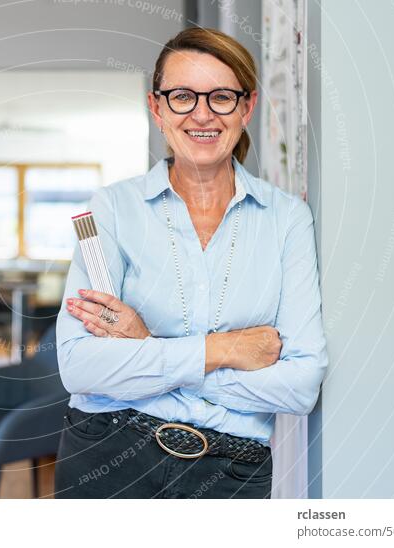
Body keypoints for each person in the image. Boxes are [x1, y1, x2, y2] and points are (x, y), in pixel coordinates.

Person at [54, 27, 328, 499]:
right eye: (182, 96)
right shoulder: (112, 209)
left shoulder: (287, 220)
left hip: (231, 475)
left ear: (247, 106)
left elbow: (300, 387)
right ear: (157, 108)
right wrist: (224, 350)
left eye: (221, 96)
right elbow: (80, 366)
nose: (202, 114)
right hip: (108, 453)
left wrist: (146, 345)